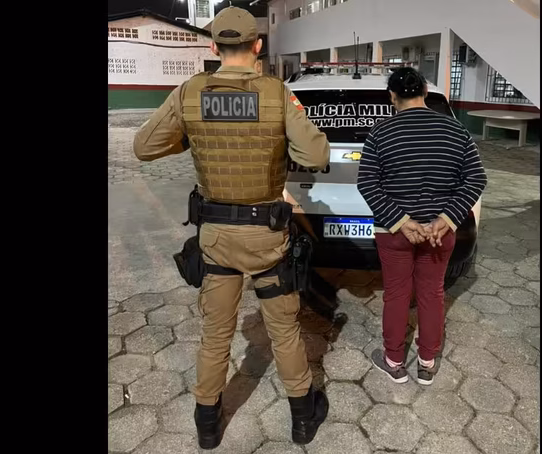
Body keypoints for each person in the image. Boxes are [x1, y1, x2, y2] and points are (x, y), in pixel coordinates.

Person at [132, 7, 331, 449]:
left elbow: (143, 147)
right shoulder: (276, 93)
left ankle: (207, 426)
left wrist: (189, 135)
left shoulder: (190, 92)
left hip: (216, 240)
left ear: (213, 46)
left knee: (215, 334)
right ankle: (302, 420)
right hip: (267, 239)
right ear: (257, 45)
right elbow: (317, 156)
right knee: (284, 331)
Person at [357, 67, 487, 386]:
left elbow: (367, 183)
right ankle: (427, 362)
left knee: (396, 293)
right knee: (432, 292)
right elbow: (476, 178)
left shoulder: (380, 133)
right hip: (439, 233)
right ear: (425, 92)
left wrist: (402, 222)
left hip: (394, 233)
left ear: (392, 96)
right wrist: (446, 219)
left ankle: (394, 361)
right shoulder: (456, 131)